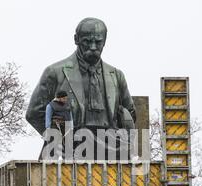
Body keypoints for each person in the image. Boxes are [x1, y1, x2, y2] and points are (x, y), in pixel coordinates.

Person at [26, 17, 136, 160]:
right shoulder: (55, 73)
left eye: (98, 42)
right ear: (76, 39)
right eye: (87, 41)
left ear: (105, 41)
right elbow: (34, 113)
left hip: (110, 154)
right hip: (68, 153)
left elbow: (130, 113)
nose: (93, 47)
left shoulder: (116, 76)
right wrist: (57, 138)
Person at [41, 91, 73, 160]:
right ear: (59, 98)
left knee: (68, 144)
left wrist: (71, 126)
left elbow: (70, 117)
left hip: (66, 127)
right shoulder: (50, 105)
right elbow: (48, 117)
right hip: (55, 126)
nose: (65, 100)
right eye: (64, 98)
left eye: (66, 98)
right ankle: (52, 159)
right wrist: (48, 128)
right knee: (53, 143)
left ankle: (68, 160)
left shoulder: (67, 105)